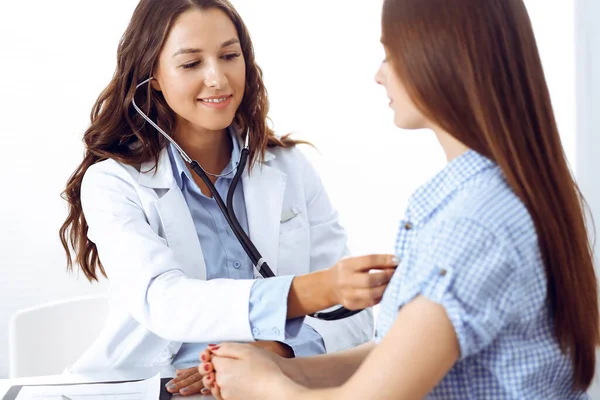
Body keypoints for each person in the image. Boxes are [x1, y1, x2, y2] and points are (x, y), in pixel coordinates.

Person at [197, 0, 600, 398]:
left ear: (441, 59)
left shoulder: (472, 226)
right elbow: (399, 354)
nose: (378, 74)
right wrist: (288, 370)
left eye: (391, 55)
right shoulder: (499, 193)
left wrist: (266, 388)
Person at [59, 0, 398, 394]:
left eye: (228, 56)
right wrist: (310, 292)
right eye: (190, 64)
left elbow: (351, 317)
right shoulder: (114, 183)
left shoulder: (288, 167)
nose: (217, 78)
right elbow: (162, 300)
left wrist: (275, 353)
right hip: (159, 386)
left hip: (271, 383)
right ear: (152, 76)